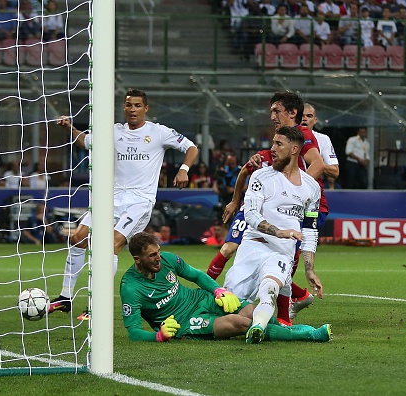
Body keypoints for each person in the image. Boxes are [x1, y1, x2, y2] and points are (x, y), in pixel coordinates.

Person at [49, 88, 198, 320]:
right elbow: (85, 141)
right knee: (77, 237)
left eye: (137, 105)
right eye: (129, 105)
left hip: (139, 201)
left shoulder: (159, 132)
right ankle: (66, 297)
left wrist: (184, 169)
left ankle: (96, 305)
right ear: (124, 107)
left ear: (146, 109)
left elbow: (191, 147)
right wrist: (70, 127)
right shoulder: (113, 132)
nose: (132, 109)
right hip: (111, 197)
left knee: (111, 243)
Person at [207, 93, 327, 326]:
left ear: (292, 113)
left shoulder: (304, 137)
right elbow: (245, 172)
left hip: (288, 211)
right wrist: (235, 200)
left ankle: (282, 317)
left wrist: (295, 189)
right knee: (229, 250)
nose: (272, 116)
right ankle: (210, 292)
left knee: (277, 271)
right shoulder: (267, 166)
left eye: (276, 111)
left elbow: (321, 165)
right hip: (258, 206)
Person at [120, 232, 332, 343]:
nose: (158, 258)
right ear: (137, 259)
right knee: (240, 323)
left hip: (200, 299)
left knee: (251, 309)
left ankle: (285, 331)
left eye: (158, 252)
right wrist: (158, 336)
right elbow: (134, 332)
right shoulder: (130, 287)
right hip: (184, 322)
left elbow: (195, 275)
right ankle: (309, 335)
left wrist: (217, 290)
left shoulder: (167, 259)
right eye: (152, 256)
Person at [223, 126, 322, 343]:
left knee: (270, 287)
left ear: (294, 149)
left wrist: (310, 269)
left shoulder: (312, 187)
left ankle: (257, 330)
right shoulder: (261, 177)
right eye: (273, 143)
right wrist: (280, 232)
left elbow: (309, 229)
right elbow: (250, 215)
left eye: (279, 144)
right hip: (252, 247)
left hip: (281, 252)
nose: (272, 149)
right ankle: (258, 324)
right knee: (230, 310)